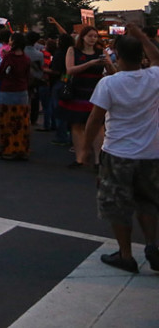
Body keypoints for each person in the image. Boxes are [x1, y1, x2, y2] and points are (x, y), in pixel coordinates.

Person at [84, 25, 159, 274]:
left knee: (118, 205)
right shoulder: (153, 76)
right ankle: (152, 245)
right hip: (150, 153)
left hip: (118, 153)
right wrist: (142, 36)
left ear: (117, 55)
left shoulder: (109, 84)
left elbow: (95, 119)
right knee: (147, 202)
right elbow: (157, 57)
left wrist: (85, 149)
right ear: (142, 56)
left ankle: (126, 255)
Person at [62, 26, 116, 168]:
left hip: (96, 91)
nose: (93, 39)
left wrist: (108, 64)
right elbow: (70, 69)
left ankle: (99, 159)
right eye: (90, 36)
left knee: (98, 125)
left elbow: (112, 72)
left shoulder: (101, 52)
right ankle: (79, 158)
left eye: (95, 36)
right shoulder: (73, 51)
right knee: (77, 125)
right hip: (77, 91)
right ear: (83, 37)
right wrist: (90, 63)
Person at [0, 32, 32, 161]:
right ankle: (21, 149)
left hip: (8, 91)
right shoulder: (26, 59)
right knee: (21, 122)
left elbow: (0, 74)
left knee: (7, 121)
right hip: (22, 92)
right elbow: (28, 77)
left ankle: (8, 149)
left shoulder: (9, 58)